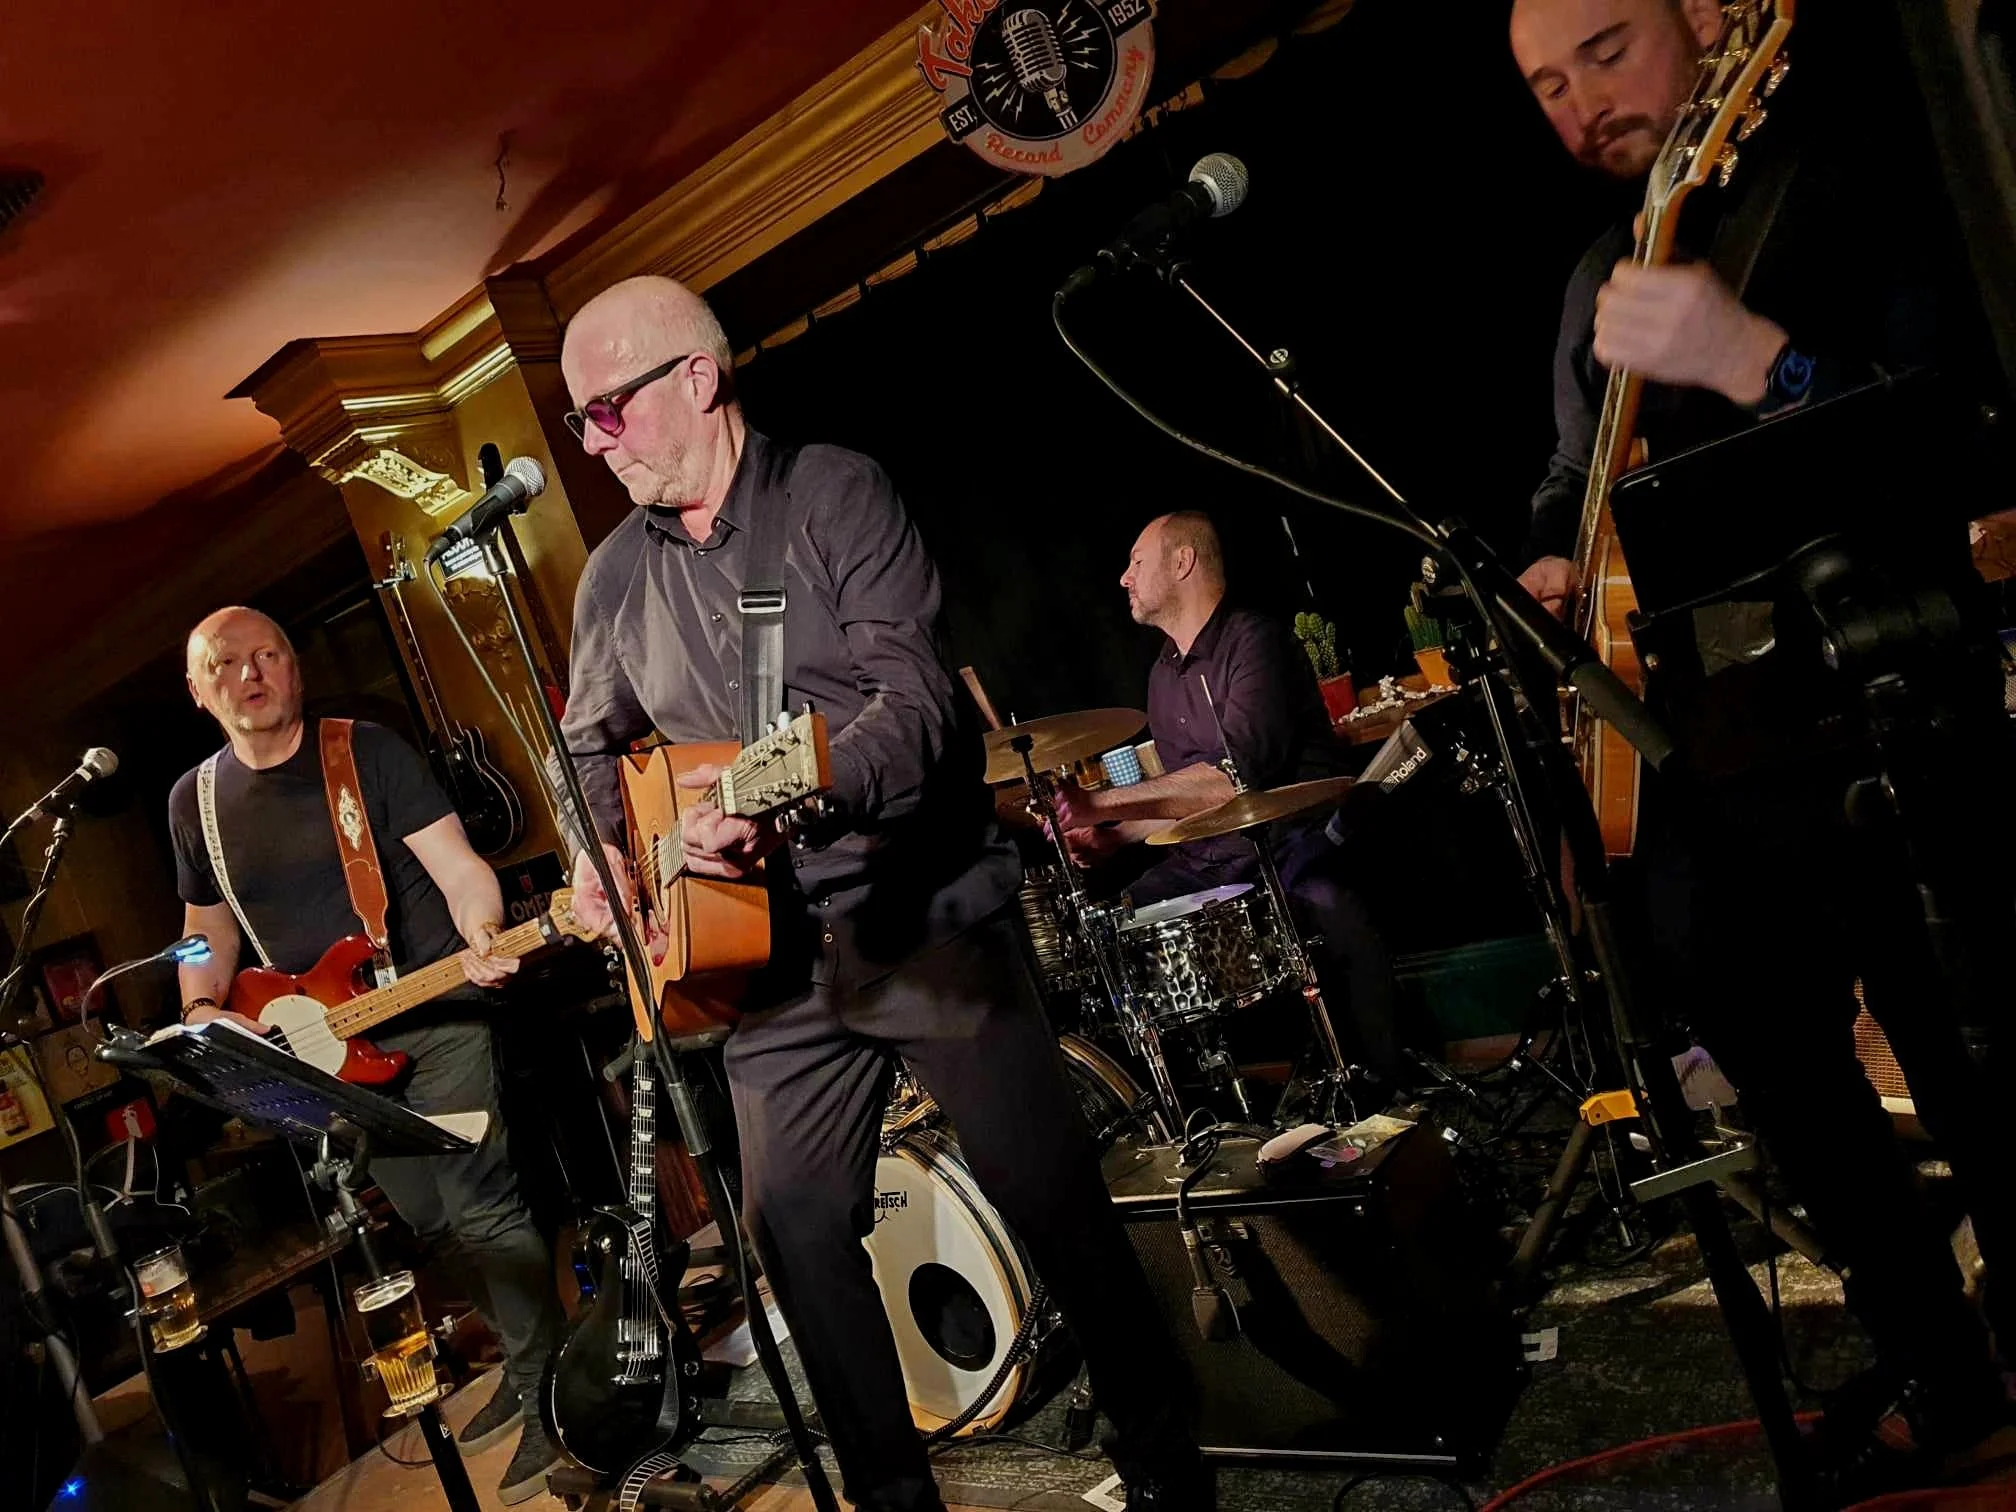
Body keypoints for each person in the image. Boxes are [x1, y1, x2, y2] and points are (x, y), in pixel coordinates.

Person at [557, 276, 1206, 1512]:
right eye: (580, 421)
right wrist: (606, 856)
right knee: (795, 1231)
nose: (595, 443)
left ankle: (1168, 1463)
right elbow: (588, 744)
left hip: (920, 914)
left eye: (607, 410)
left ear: (696, 377)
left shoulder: (832, 493)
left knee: (1051, 1197)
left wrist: (781, 791)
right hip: (766, 959)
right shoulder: (613, 580)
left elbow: (915, 710)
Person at [1509, 0, 2016, 1488]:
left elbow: (1962, 424)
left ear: (1713, 23)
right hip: (1699, 752)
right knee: (1794, 1090)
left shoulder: (1834, 174)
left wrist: (1758, 359)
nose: (1579, 105)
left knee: (1968, 1052)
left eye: (1606, 49)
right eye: (1547, 86)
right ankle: (1942, 1367)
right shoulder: (1599, 274)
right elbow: (1569, 474)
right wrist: (1551, 553)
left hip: (1876, 698)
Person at [168, 606, 566, 1504]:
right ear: (198, 690)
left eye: (269, 653)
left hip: (436, 1008)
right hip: (332, 1048)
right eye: (225, 663)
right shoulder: (193, 802)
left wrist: (482, 927)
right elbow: (203, 928)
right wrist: (199, 1003)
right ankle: (526, 1356)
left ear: (295, 668)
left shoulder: (365, 752)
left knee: (482, 1207)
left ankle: (553, 1396)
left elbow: (459, 866)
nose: (250, 673)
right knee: (429, 1220)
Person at [1051, 511, 1403, 1090]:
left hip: (1289, 844)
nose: (1123, 577)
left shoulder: (1256, 643)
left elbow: (1231, 780)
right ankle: (1186, 1104)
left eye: (1136, 562)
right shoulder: (1162, 675)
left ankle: (1380, 1082)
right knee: (1111, 933)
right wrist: (1113, 836)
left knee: (1328, 900)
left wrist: (1103, 803)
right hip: (1210, 858)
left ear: (1182, 561)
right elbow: (1188, 800)